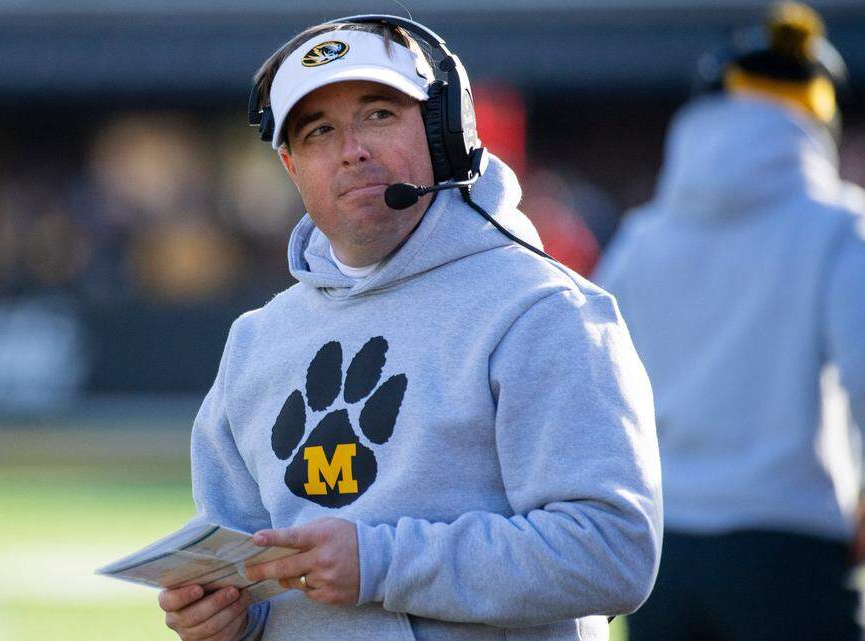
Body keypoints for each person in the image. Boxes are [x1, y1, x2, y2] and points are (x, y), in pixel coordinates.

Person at [158, 15, 662, 641]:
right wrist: (226, 620)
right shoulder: (256, 340)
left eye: (378, 114)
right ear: (291, 167)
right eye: (319, 131)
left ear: (446, 133)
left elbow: (612, 553)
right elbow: (244, 570)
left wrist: (382, 564)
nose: (352, 149)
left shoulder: (544, 312)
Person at [594, 3, 865, 640]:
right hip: (788, 543)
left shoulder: (641, 235)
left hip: (663, 551)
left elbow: (592, 381)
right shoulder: (838, 228)